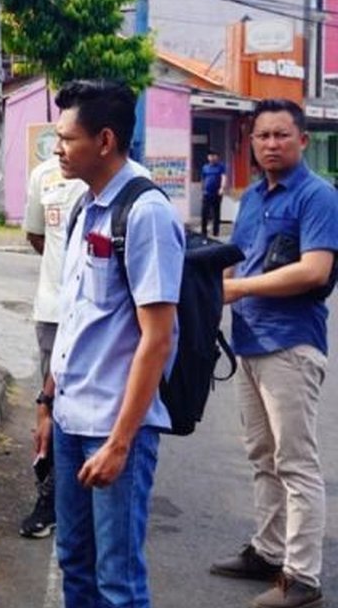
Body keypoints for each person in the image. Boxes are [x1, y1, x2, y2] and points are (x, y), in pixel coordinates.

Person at [34, 79, 184, 608]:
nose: (57, 149)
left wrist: (120, 443)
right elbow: (75, 319)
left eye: (66, 139)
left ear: (104, 141)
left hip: (114, 426)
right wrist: (47, 401)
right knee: (75, 562)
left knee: (117, 580)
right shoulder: (86, 206)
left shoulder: (145, 213)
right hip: (71, 418)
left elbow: (157, 339)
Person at [210, 98, 338, 608]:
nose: (270, 144)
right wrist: (212, 288)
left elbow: (314, 270)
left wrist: (238, 289)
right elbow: (236, 261)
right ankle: (268, 551)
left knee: (296, 462)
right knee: (262, 455)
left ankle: (302, 577)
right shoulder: (251, 198)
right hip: (250, 342)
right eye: (262, 136)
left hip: (291, 344)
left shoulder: (317, 196)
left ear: (302, 140)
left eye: (281, 135)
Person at [18, 156, 88, 539]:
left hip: (98, 317)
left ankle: (90, 493)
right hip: (53, 310)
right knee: (50, 406)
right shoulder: (43, 174)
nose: (61, 145)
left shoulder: (126, 182)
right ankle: (48, 497)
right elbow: (37, 235)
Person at [201, 150, 228, 237]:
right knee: (204, 213)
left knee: (216, 213)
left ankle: (215, 232)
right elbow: (203, 179)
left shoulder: (221, 167)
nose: (212, 158)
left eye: (214, 156)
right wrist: (202, 190)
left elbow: (223, 177)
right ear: (208, 157)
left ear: (217, 157)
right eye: (210, 156)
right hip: (207, 193)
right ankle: (203, 231)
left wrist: (222, 188)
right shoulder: (205, 167)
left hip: (216, 193)